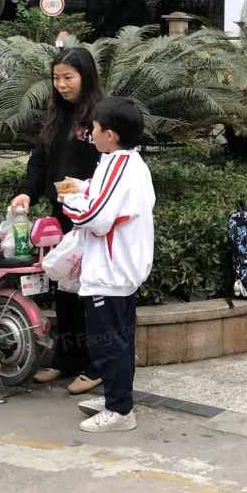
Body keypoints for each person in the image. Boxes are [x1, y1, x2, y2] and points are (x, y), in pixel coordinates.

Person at [9, 47, 105, 396]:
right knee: (64, 290)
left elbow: (108, 169)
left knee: (89, 291)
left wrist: (84, 197)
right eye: (56, 78)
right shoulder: (56, 116)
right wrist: (26, 192)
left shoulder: (100, 117)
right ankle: (67, 358)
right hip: (61, 218)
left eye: (68, 77)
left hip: (91, 221)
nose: (61, 85)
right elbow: (39, 161)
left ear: (86, 77)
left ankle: (95, 365)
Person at [60, 97, 156, 433]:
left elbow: (96, 217)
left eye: (95, 128)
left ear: (111, 135)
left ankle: (119, 410)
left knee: (106, 343)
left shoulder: (118, 165)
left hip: (110, 272)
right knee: (119, 340)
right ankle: (118, 397)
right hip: (121, 270)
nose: (91, 133)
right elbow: (106, 198)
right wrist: (83, 188)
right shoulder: (127, 163)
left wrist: (70, 198)